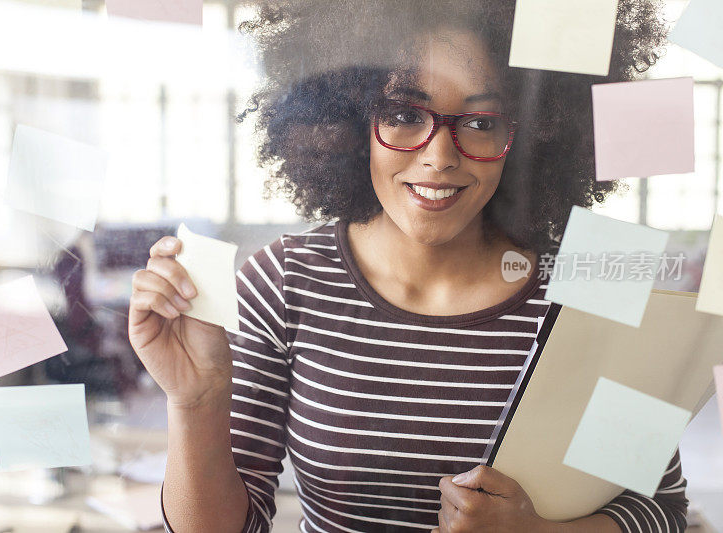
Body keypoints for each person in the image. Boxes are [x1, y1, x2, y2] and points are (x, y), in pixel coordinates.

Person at [128, 0, 689, 531]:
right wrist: (196, 402)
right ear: (349, 124)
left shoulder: (591, 289)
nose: (439, 157)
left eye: (481, 122)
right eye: (400, 114)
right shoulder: (284, 283)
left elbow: (660, 510)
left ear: (531, 137)